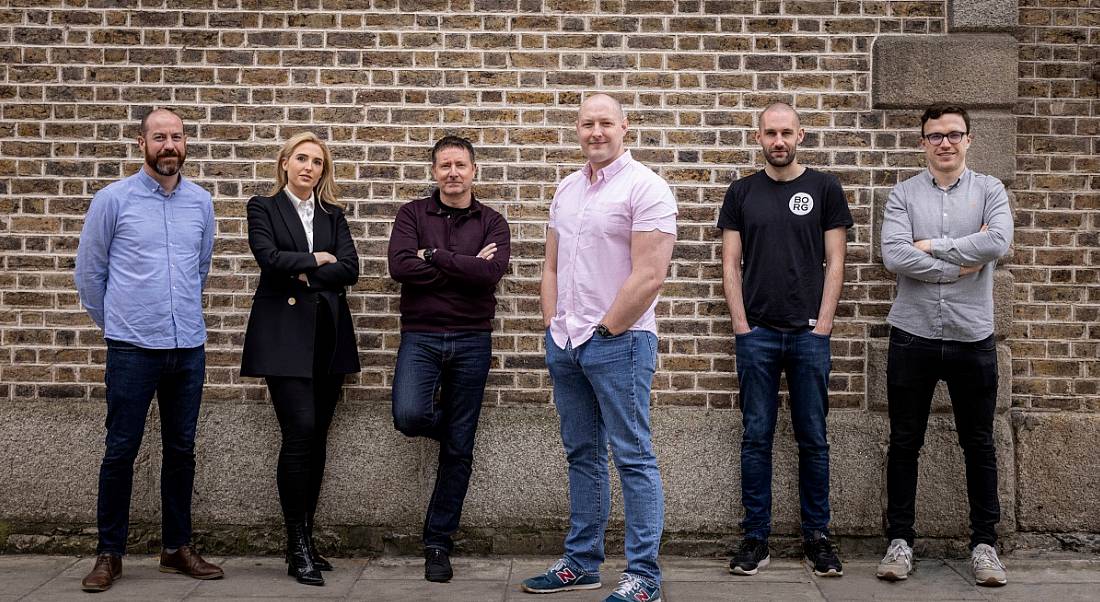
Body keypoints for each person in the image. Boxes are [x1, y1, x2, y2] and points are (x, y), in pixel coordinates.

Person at [521, 94, 676, 602]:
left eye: (605, 122)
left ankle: (643, 577)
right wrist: (552, 325)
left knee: (632, 455)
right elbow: (551, 265)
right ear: (577, 128)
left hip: (621, 341)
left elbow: (650, 275)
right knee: (582, 454)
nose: (596, 132)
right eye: (587, 123)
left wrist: (605, 331)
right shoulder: (566, 189)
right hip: (566, 343)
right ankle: (582, 562)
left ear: (624, 126)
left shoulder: (646, 188)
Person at [75, 108, 223, 592]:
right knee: (121, 451)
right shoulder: (112, 200)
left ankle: (176, 548)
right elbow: (90, 276)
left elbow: (199, 269)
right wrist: (120, 324)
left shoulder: (200, 202)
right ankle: (109, 554)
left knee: (181, 450)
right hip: (132, 348)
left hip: (188, 348)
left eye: (177, 137)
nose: (169, 145)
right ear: (142, 143)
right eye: (159, 137)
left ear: (185, 143)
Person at [877, 104, 1013, 586]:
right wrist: (958, 263)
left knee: (978, 443)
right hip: (912, 335)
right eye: (935, 136)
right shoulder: (903, 193)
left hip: (972, 336)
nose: (945, 143)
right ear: (922, 143)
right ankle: (899, 542)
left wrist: (931, 247)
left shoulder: (990, 190)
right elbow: (892, 254)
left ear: (969, 140)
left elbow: (997, 242)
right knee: (904, 443)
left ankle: (984, 545)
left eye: (954, 134)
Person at [718, 102, 852, 578]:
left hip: (808, 336)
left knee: (813, 439)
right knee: (756, 439)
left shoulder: (824, 188)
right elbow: (730, 261)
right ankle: (755, 538)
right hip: (757, 335)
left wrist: (823, 325)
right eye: (770, 133)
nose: (779, 141)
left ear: (801, 136)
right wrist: (740, 325)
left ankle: (817, 536)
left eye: (787, 133)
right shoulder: (741, 192)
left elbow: (835, 261)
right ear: (758, 137)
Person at [387, 135, 511, 583]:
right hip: (421, 335)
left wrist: (434, 257)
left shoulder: (493, 222)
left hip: (472, 338)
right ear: (434, 172)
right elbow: (400, 267)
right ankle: (454, 432)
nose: (453, 173)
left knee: (459, 452)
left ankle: (438, 542)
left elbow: (490, 274)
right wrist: (462, 265)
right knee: (409, 414)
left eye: (460, 165)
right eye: (445, 166)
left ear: (474, 170)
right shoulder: (412, 214)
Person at [240, 132, 360, 586]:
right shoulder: (263, 207)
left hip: (327, 338)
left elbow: (350, 267)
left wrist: (307, 270)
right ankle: (295, 544)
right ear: (285, 163)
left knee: (319, 437)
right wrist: (315, 259)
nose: (309, 167)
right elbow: (268, 258)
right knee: (300, 431)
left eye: (317, 162)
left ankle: (307, 540)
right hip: (283, 339)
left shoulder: (333, 214)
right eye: (302, 159)